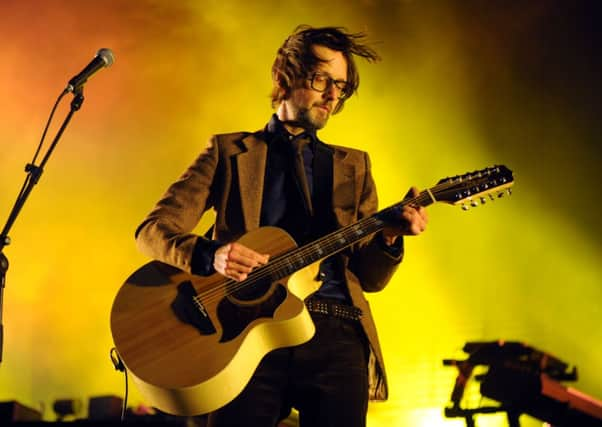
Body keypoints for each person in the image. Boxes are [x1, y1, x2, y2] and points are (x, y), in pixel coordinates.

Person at [135, 25, 428, 427]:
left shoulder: (353, 166)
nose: (331, 95)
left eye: (340, 86)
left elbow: (370, 278)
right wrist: (212, 255)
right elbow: (153, 231)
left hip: (337, 331)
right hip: (246, 336)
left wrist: (390, 238)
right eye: (321, 79)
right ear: (284, 76)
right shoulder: (229, 152)